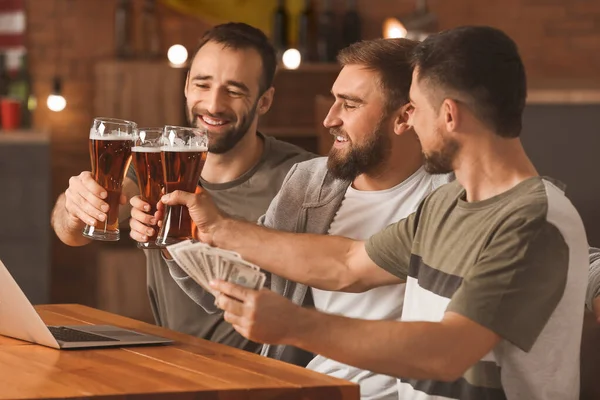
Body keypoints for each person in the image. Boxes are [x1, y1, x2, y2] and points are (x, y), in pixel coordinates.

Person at [161, 26, 588, 399]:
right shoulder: (445, 206)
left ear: (449, 115)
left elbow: (446, 353)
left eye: (416, 109)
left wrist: (295, 325)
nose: (411, 124)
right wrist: (214, 227)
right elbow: (347, 263)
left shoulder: (532, 218)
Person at [166, 38, 452, 399]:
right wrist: (179, 238)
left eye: (349, 104)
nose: (329, 118)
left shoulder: (450, 196)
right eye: (334, 100)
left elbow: (346, 266)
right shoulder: (311, 181)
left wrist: (221, 227)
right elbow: (254, 283)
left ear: (405, 116)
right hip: (307, 387)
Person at [50, 22, 314, 353]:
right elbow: (70, 234)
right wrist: (76, 206)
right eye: (202, 84)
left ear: (264, 101)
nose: (213, 104)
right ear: (187, 86)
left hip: (260, 375)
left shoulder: (303, 176)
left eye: (234, 91)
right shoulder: (155, 163)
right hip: (174, 360)